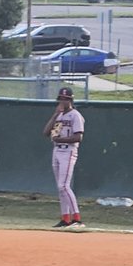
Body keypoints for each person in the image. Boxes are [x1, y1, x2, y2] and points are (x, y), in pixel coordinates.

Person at [42, 86, 85, 230]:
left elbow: (78, 137)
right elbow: (46, 132)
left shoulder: (75, 115)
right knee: (60, 188)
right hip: (57, 151)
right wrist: (55, 115)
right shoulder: (59, 116)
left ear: (71, 100)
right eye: (61, 98)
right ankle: (65, 218)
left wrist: (61, 140)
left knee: (64, 186)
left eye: (66, 99)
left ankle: (77, 219)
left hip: (69, 152)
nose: (63, 101)